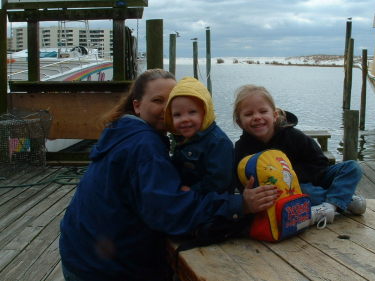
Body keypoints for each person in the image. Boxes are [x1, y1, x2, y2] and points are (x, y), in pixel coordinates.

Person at [59, 70, 279, 281]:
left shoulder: (121, 131)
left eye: (171, 101)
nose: (166, 109)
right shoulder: (144, 146)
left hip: (80, 253)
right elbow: (171, 213)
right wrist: (240, 205)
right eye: (157, 101)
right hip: (106, 270)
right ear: (137, 105)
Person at [232, 84, 366, 228]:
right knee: (304, 191)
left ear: (275, 115)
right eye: (249, 114)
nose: (257, 117)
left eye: (263, 111)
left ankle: (330, 206)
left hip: (316, 177)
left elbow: (320, 162)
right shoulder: (242, 148)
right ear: (240, 122)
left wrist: (292, 175)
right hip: (287, 190)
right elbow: (241, 179)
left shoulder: (293, 135)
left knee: (353, 167)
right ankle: (344, 200)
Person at [164, 77, 234, 194]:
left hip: (213, 206)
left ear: (205, 113)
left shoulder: (219, 143)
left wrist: (192, 191)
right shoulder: (184, 139)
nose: (184, 119)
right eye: (177, 115)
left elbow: (219, 181)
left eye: (192, 112)